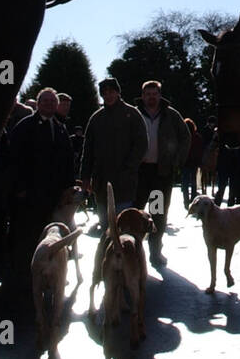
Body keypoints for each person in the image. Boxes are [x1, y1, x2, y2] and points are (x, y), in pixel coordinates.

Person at [8, 87, 75, 288]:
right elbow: (14, 159)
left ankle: (47, 278)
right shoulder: (25, 126)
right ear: (38, 104)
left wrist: (68, 189)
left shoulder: (61, 128)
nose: (48, 105)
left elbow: (67, 161)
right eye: (44, 101)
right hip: (29, 196)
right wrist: (19, 188)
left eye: (52, 102)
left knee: (50, 239)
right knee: (26, 240)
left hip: (53, 198)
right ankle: (23, 281)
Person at [134, 80, 192, 261]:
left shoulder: (171, 115)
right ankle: (133, 251)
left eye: (154, 94)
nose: (151, 97)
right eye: (148, 94)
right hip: (138, 173)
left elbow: (185, 137)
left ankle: (155, 251)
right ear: (142, 96)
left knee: (157, 213)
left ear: (160, 95)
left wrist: (176, 161)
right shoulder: (134, 114)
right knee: (135, 212)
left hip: (160, 174)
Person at [80, 77, 147, 230]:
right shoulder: (96, 118)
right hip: (101, 181)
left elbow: (142, 144)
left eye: (111, 91)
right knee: (106, 227)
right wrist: (85, 177)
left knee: (124, 226)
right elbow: (88, 150)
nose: (108, 95)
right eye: (104, 93)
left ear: (118, 92)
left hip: (125, 181)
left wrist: (130, 167)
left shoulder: (132, 114)